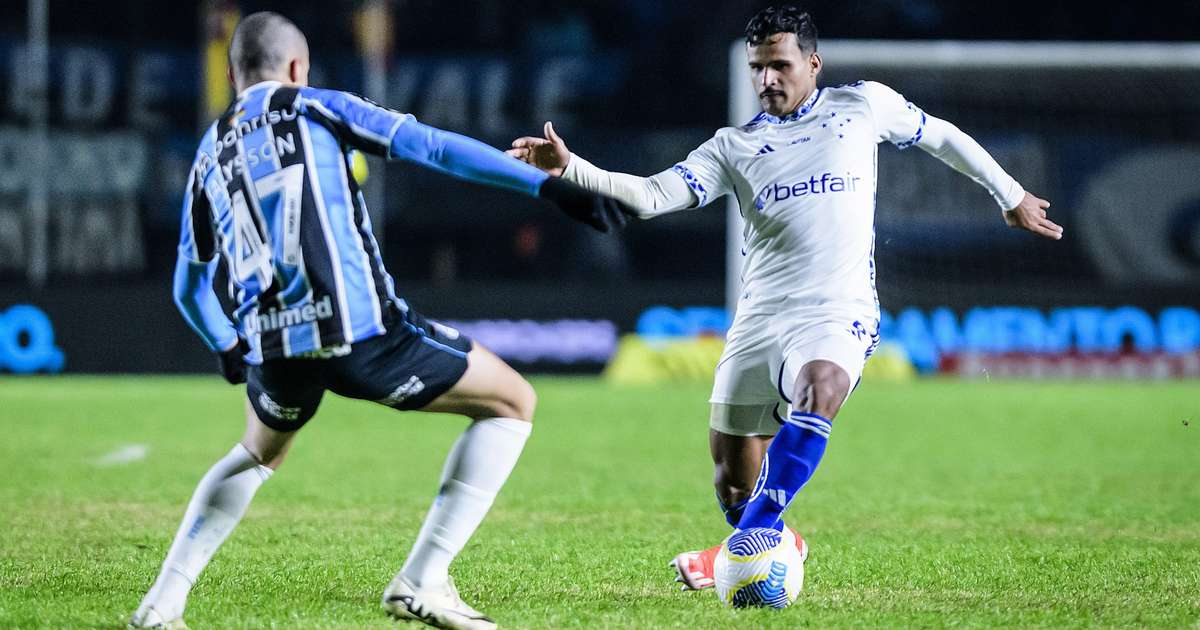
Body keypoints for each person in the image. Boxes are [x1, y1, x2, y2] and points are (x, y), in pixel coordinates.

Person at [507, 4, 1062, 592]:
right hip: (761, 318)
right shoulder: (732, 146)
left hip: (838, 311)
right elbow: (649, 196)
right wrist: (571, 167)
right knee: (732, 480)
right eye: (757, 68)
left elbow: (942, 135)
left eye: (780, 65)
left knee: (819, 388)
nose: (767, 79)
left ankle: (746, 541)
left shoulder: (862, 105)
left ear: (812, 64)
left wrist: (1009, 194)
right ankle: (775, 538)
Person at [130, 11, 632, 630]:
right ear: (297, 67)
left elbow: (188, 284)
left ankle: (162, 604)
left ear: (232, 77)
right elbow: (433, 147)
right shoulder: (316, 106)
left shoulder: (209, 150)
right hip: (357, 329)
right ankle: (422, 581)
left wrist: (228, 345)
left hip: (272, 340)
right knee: (512, 401)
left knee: (258, 452)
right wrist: (548, 187)